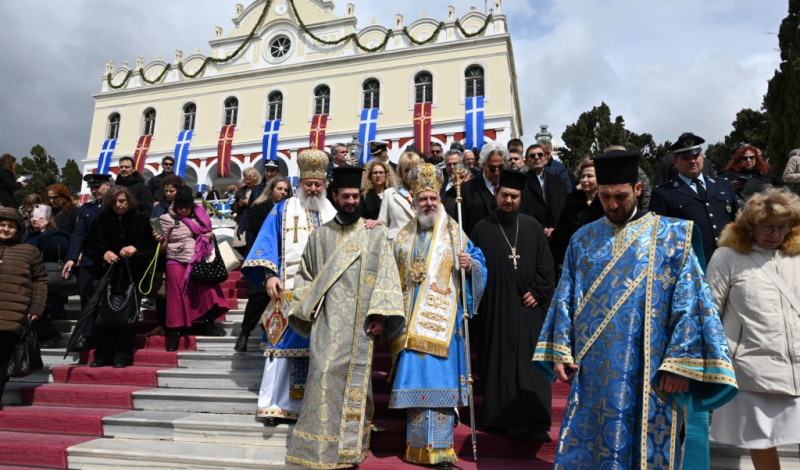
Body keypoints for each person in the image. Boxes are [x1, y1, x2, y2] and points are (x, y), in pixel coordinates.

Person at [533, 149, 738, 470]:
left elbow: (692, 305)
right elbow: (564, 297)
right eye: (604, 197)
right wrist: (560, 350)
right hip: (593, 373)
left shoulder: (674, 236)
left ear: (638, 190)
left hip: (654, 372)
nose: (613, 204)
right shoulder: (581, 240)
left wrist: (678, 365)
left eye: (620, 196)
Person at [284, 166, 405, 469]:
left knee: (356, 385)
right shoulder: (319, 236)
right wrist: (305, 303)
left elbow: (387, 274)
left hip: (362, 322)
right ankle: (319, 449)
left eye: (355, 196)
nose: (351, 201)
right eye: (345, 196)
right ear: (334, 197)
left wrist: (380, 314)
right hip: (326, 323)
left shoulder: (374, 233)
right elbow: (305, 276)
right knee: (323, 376)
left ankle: (350, 449)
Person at [389, 163, 486, 469]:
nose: (428, 203)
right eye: (423, 199)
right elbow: (389, 278)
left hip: (444, 324)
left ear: (439, 200)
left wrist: (470, 265)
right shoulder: (402, 237)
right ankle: (417, 447)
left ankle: (441, 451)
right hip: (409, 323)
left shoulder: (454, 232)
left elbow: (479, 262)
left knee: (440, 384)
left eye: (433, 198)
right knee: (418, 383)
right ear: (413, 203)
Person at [707, 188, 800, 470]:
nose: (775, 234)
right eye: (767, 227)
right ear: (751, 226)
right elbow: (709, 311)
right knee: (761, 439)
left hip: (798, 363)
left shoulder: (797, 257)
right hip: (752, 368)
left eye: (782, 227)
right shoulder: (727, 257)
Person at [241, 150, 337, 425]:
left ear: (325, 184)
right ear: (300, 183)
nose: (313, 188)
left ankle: (314, 407)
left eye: (318, 184)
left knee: (319, 352)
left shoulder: (334, 212)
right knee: (281, 348)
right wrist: (270, 275)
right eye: (309, 183)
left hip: (324, 293)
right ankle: (274, 406)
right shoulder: (282, 209)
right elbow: (267, 241)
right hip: (287, 290)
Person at [471, 169, 554, 440]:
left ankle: (537, 419)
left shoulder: (532, 226)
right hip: (497, 309)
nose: (509, 201)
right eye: (505, 195)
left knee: (531, 367)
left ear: (521, 198)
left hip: (530, 308)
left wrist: (539, 291)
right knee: (501, 363)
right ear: (496, 194)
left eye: (514, 197)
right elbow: (477, 268)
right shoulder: (482, 229)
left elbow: (546, 266)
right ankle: (504, 418)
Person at [82, 185, 157, 368]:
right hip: (107, 276)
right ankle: (102, 354)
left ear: (129, 200)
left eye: (122, 201)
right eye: (114, 201)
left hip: (132, 276)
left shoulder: (141, 220)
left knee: (127, 317)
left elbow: (150, 248)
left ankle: (122, 355)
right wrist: (104, 253)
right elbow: (88, 245)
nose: (118, 205)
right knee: (104, 316)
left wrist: (135, 249)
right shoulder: (101, 220)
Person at [650, 133, 740, 266]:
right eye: (685, 158)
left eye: (695, 156)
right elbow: (659, 239)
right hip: (692, 270)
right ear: (675, 162)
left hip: (731, 263)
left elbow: (738, 222)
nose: (692, 161)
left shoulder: (723, 185)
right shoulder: (663, 193)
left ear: (702, 157)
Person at [156, 186, 229, 351]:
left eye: (186, 207)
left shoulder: (201, 215)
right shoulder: (167, 218)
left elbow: (207, 233)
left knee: (209, 291)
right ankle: (174, 334)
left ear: (192, 205)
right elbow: (162, 246)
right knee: (175, 299)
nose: (183, 210)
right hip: (175, 260)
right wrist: (159, 241)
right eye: (179, 207)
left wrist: (209, 236)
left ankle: (209, 325)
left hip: (198, 261)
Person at [235, 176, 292, 352]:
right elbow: (257, 233)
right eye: (279, 189)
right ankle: (245, 333)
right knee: (258, 299)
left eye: (285, 190)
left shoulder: (291, 209)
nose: (282, 192)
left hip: (284, 259)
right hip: (262, 258)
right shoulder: (260, 207)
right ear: (271, 190)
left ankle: (270, 335)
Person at [0, 207, 47, 410]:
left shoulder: (30, 251)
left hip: (12, 316)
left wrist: (36, 307)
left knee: (1, 360)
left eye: (10, 226)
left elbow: (40, 281)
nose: (5, 229)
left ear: (18, 229)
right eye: (2, 225)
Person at [62, 174, 113, 351]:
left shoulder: (118, 205)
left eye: (98, 186)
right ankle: (88, 335)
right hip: (90, 260)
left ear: (108, 185)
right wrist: (71, 257)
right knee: (86, 296)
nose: (94, 190)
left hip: (112, 260)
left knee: (109, 299)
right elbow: (78, 234)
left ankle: (108, 337)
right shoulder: (86, 208)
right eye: (92, 187)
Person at [21, 194, 70, 346]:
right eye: (32, 216)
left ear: (48, 218)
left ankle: (50, 335)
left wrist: (44, 231)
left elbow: (55, 251)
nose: (35, 219)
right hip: (28, 280)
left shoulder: (57, 234)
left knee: (38, 309)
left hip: (46, 280)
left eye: (40, 217)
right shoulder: (26, 236)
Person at [147, 174, 185, 337]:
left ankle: (178, 324)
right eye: (167, 191)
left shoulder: (185, 205)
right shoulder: (158, 207)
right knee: (161, 291)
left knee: (178, 291)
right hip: (163, 253)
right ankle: (161, 323)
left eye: (172, 191)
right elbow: (153, 223)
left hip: (182, 253)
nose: (169, 194)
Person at [550, 157, 603, 271]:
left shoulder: (606, 201)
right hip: (575, 260)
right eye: (582, 176)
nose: (584, 180)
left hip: (601, 260)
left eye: (589, 176)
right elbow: (562, 230)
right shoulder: (571, 200)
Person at [460, 142, 507, 235]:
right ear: (483, 165)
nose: (497, 173)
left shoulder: (510, 187)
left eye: (501, 168)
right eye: (492, 168)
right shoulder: (467, 189)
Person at [523, 144, 568, 241]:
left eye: (540, 154)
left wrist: (555, 228)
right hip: (532, 235)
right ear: (526, 162)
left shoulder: (559, 182)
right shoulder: (521, 183)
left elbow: (565, 208)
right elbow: (522, 210)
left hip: (557, 237)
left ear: (546, 159)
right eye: (532, 155)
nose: (536, 157)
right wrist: (540, 228)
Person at [378, 152, 422, 241]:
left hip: (421, 245)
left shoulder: (428, 195)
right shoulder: (389, 193)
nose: (410, 173)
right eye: (406, 170)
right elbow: (382, 225)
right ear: (401, 172)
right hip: (397, 246)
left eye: (413, 169)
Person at [232, 167, 262, 255]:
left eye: (249, 179)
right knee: (241, 245)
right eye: (246, 179)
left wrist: (251, 202)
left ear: (255, 178)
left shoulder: (261, 188)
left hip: (255, 221)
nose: (247, 181)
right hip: (242, 221)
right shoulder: (241, 191)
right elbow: (233, 206)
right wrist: (239, 204)